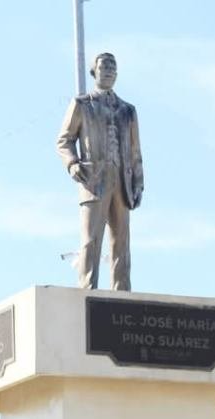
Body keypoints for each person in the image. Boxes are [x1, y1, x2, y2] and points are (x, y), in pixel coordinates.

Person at [56, 52, 144, 291]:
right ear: (95, 72)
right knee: (91, 240)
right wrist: (72, 163)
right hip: (93, 180)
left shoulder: (128, 110)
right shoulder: (82, 104)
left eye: (112, 67)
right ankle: (87, 290)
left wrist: (138, 184)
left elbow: (135, 153)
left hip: (123, 182)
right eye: (104, 67)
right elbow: (64, 140)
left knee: (121, 243)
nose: (108, 71)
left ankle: (122, 292)